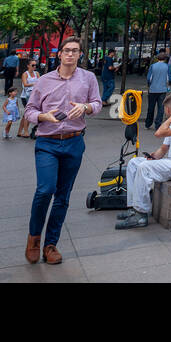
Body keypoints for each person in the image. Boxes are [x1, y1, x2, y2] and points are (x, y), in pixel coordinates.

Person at [24, 37, 101, 265]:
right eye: (66, 50)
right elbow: (29, 110)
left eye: (75, 51)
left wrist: (85, 107)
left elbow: (97, 103)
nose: (70, 54)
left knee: (63, 196)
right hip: (47, 142)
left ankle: (51, 245)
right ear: (60, 54)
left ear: (80, 54)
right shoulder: (44, 80)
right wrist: (42, 116)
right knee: (45, 190)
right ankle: (34, 239)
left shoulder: (88, 78)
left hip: (74, 141)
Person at [116, 94, 171, 230]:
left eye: (165, 111)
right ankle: (133, 207)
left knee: (144, 168)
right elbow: (163, 149)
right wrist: (152, 158)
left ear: (167, 110)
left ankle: (141, 214)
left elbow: (158, 133)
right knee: (134, 163)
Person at [144, 52, 171, 129]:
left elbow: (149, 78)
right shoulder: (167, 66)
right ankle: (158, 124)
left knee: (151, 107)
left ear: (157, 59)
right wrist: (168, 86)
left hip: (152, 89)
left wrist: (149, 85)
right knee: (161, 108)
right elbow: (169, 78)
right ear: (165, 59)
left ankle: (148, 123)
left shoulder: (153, 66)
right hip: (162, 89)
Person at [18, 60, 41, 138]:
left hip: (34, 96)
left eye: (35, 65)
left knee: (25, 114)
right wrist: (34, 84)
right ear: (28, 65)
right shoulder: (25, 74)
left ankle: (20, 131)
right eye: (33, 65)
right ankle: (26, 131)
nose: (34, 66)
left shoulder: (36, 73)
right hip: (26, 96)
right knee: (27, 113)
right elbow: (25, 84)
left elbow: (40, 83)